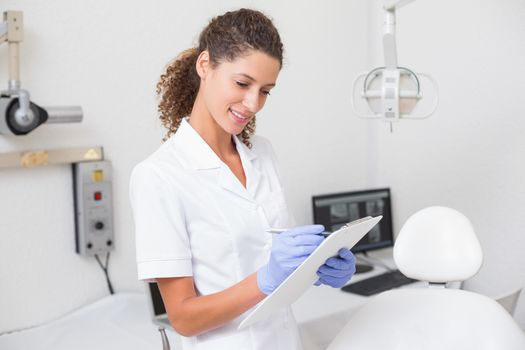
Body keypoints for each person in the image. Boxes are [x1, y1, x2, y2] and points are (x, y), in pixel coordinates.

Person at [129, 8, 356, 350]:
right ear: (204, 65)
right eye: (242, 83)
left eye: (265, 90)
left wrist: (318, 265)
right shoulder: (159, 176)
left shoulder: (262, 154)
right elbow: (184, 319)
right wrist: (265, 280)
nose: (253, 104)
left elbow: (277, 261)